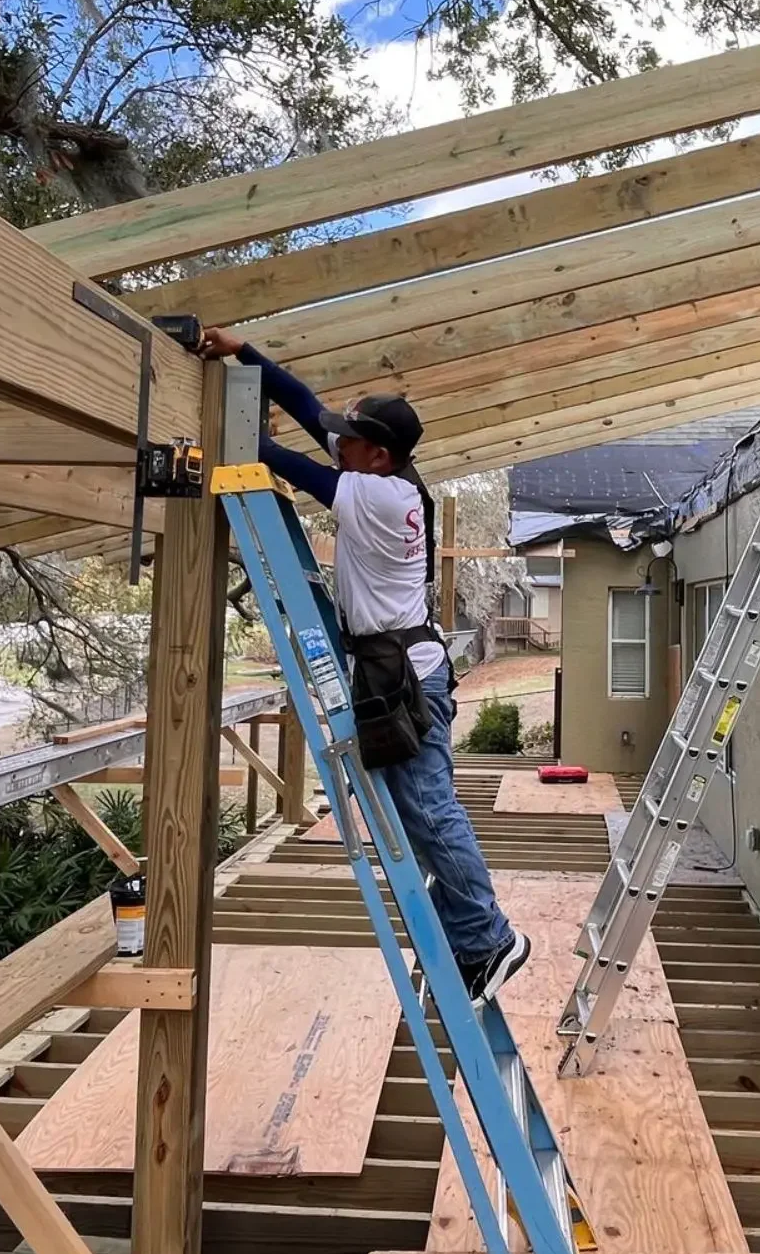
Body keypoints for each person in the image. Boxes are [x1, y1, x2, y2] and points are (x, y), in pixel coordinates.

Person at [197, 326, 530, 1004]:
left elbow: (277, 460)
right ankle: (473, 931)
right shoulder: (380, 471)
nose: (336, 442)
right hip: (403, 664)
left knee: (430, 811)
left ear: (376, 455)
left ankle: (489, 936)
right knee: (422, 809)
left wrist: (206, 433)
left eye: (347, 439)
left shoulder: (374, 495)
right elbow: (304, 406)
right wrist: (242, 353)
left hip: (402, 674)